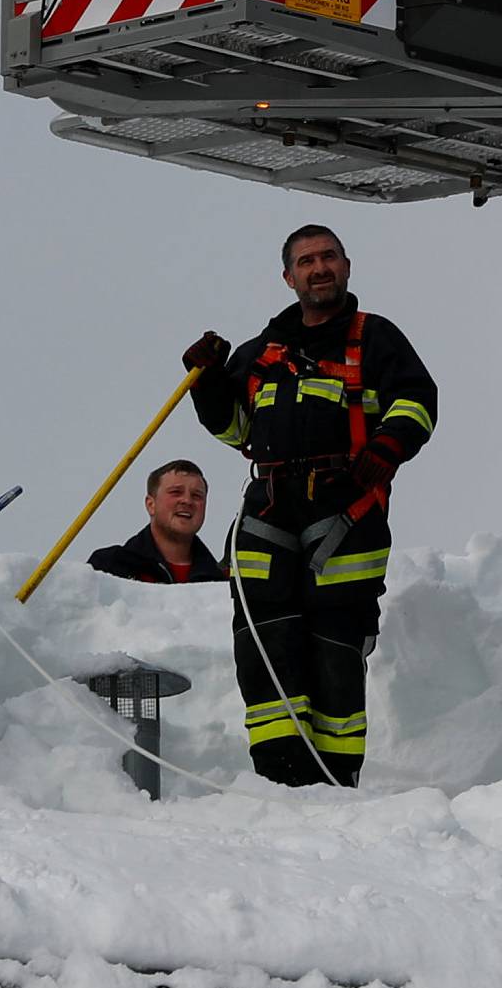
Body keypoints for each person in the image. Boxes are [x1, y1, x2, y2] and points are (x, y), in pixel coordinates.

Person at [184, 225, 436, 788]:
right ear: (289, 277)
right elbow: (236, 429)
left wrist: (388, 446)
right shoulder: (260, 353)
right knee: (263, 638)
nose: (318, 268)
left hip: (344, 510)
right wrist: (207, 382)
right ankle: (279, 774)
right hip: (268, 507)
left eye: (327, 257)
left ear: (346, 266)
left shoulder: (376, 339)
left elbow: (417, 401)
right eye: (306, 261)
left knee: (334, 642)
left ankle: (333, 776)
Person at [88, 460, 226, 585]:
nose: (187, 501)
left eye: (197, 495)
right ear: (150, 504)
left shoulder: (223, 583)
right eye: (176, 492)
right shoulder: (109, 567)